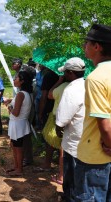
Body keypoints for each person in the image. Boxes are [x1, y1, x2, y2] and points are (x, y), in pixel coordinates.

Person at [75, 24, 111, 201]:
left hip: (95, 156)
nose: (84, 46)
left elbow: (104, 124)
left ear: (97, 47)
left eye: (87, 43)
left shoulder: (96, 78)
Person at [55, 57, 86, 201]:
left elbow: (62, 119)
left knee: (71, 176)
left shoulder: (71, 89)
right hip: (86, 139)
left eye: (66, 72)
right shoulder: (88, 85)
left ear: (70, 73)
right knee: (81, 178)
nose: (64, 75)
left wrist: (58, 128)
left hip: (73, 141)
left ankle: (68, 198)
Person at [5, 71, 33, 176]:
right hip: (19, 124)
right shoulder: (24, 93)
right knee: (15, 145)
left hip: (17, 124)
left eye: (16, 78)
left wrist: (9, 107)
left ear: (22, 81)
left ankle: (19, 169)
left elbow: (16, 113)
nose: (14, 79)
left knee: (18, 148)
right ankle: (17, 166)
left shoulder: (21, 94)